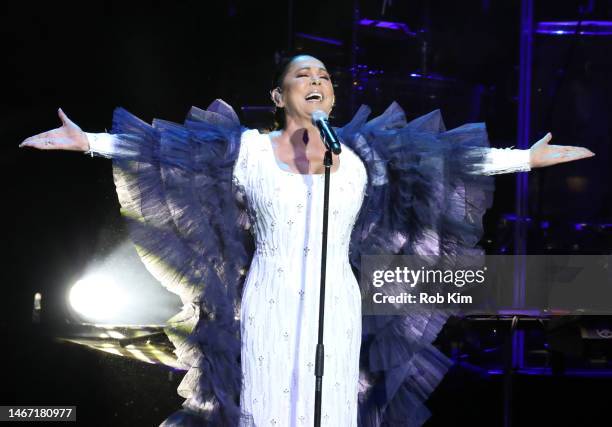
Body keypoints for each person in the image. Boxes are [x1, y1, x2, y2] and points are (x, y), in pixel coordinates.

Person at [20, 54, 594, 426]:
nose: (315, 82)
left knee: (332, 408)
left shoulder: (362, 154)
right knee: (270, 407)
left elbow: (446, 157)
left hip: (338, 304)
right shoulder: (246, 150)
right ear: (278, 96)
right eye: (303, 75)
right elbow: (163, 151)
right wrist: (90, 142)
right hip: (268, 300)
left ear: (333, 97)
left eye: (323, 77)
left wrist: (526, 158)